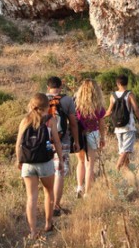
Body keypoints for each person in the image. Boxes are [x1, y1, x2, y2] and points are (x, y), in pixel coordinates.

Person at [16, 93, 62, 239]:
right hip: (45, 163)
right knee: (49, 192)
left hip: (28, 164)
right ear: (46, 106)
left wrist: (19, 161)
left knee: (31, 197)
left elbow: (18, 144)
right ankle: (48, 225)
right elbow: (57, 142)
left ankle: (33, 232)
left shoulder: (24, 121)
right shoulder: (50, 120)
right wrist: (60, 159)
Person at [46, 76, 80, 216]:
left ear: (48, 87)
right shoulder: (67, 100)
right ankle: (56, 205)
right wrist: (76, 141)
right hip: (63, 141)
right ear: (61, 86)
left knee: (47, 172)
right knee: (60, 173)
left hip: (45, 142)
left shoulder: (41, 99)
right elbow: (73, 123)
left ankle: (47, 204)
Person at [105, 74, 139, 171]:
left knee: (123, 151)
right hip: (128, 126)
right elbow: (136, 109)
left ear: (117, 83)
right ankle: (116, 171)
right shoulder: (129, 94)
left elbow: (109, 111)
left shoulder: (113, 95)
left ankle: (128, 173)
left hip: (117, 127)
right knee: (125, 151)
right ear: (127, 83)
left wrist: (99, 118)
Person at [74, 79, 107, 197]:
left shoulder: (77, 105)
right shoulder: (98, 106)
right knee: (90, 165)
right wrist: (102, 138)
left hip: (79, 135)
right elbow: (101, 124)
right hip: (93, 134)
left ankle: (79, 187)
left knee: (80, 162)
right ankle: (87, 193)